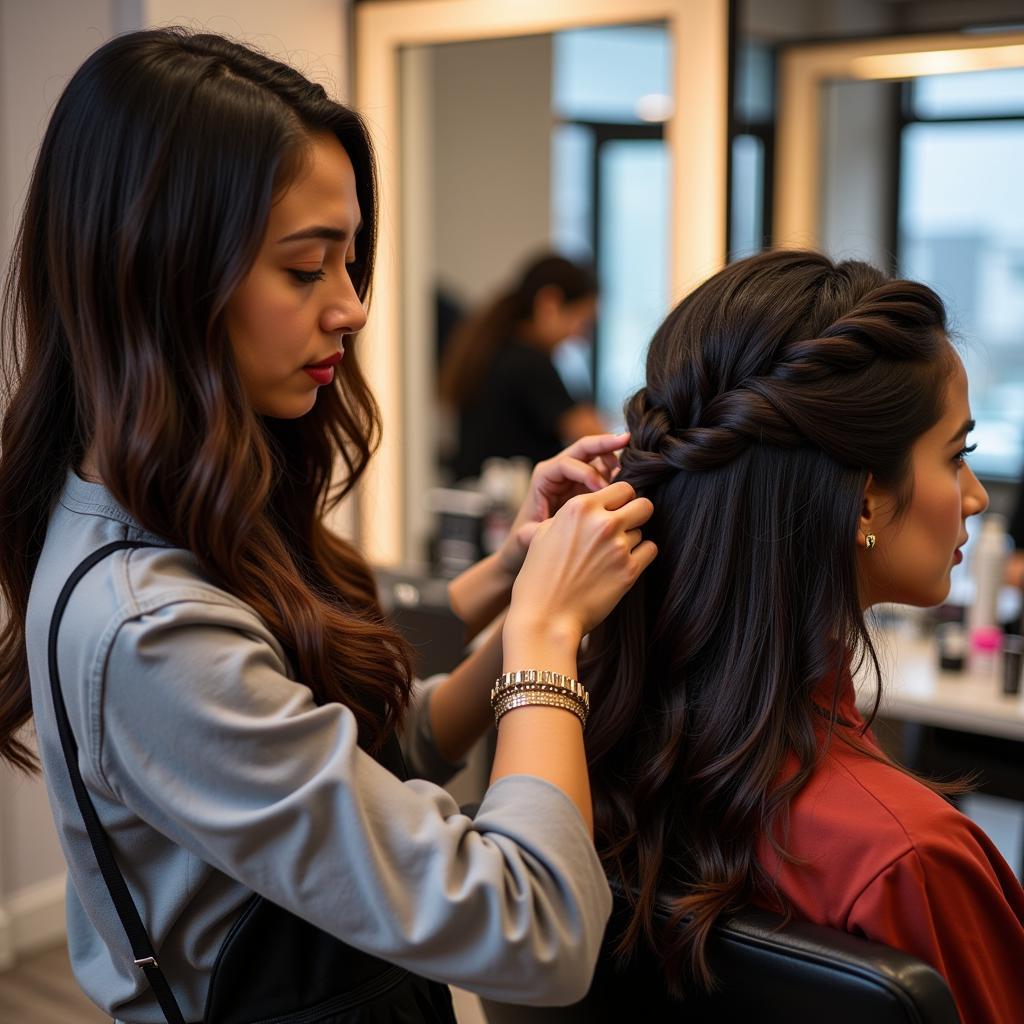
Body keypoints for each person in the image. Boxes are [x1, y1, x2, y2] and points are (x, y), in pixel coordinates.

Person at [0, 29, 658, 1024]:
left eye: (351, 263)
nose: (351, 309)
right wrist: (543, 641)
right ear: (161, 279)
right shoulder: (149, 628)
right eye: (306, 269)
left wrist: (519, 590)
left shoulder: (174, 515)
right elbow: (539, 927)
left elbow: (384, 755)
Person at [580, 251, 1024, 1023]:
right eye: (958, 457)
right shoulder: (908, 860)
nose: (976, 498)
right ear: (861, 500)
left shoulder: (581, 765)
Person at [439, 253, 606, 481]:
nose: (581, 336)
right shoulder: (529, 362)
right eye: (582, 322)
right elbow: (595, 437)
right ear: (550, 303)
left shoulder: (495, 350)